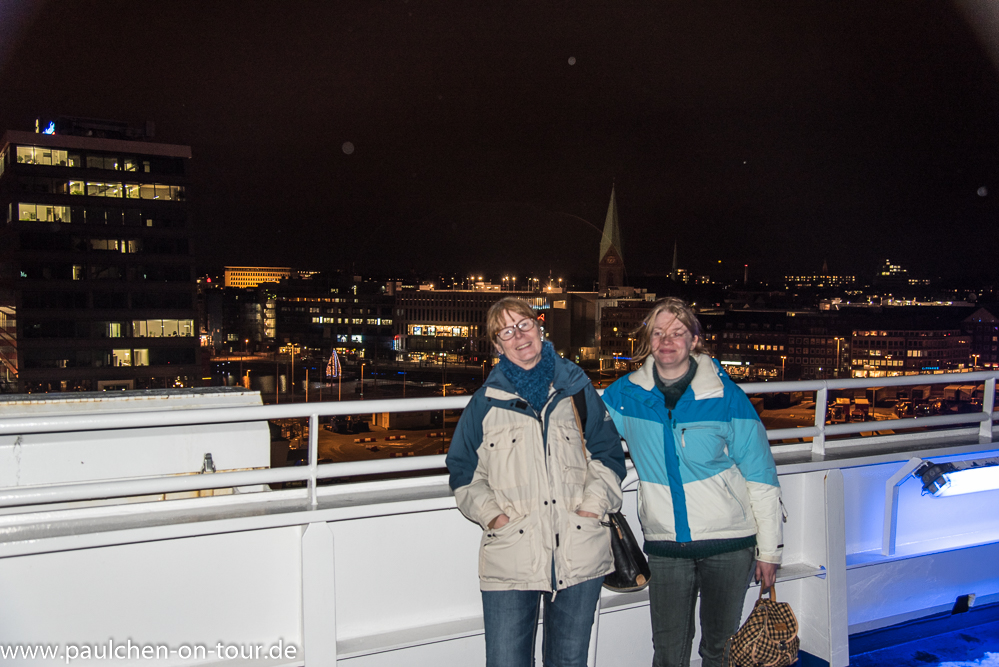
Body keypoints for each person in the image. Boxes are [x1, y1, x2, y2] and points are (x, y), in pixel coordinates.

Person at [601, 297, 783, 667]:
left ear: (695, 340)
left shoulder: (726, 397)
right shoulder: (624, 395)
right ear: (648, 340)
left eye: (677, 332)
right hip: (665, 543)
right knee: (668, 653)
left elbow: (760, 475)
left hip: (729, 542)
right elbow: (587, 436)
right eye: (658, 333)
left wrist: (769, 551)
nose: (666, 341)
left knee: (719, 649)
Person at [446, 297, 626, 667]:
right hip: (512, 555)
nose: (518, 335)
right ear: (497, 346)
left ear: (539, 327)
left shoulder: (576, 388)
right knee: (506, 661)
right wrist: (495, 517)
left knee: (568, 660)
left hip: (578, 551)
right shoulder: (485, 402)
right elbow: (463, 472)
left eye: (524, 324)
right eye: (506, 332)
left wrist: (591, 509)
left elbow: (608, 454)